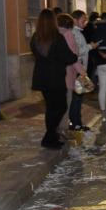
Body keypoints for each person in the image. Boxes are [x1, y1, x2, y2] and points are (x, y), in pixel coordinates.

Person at [31, 9, 77, 149]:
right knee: (60, 107)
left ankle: (50, 136)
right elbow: (69, 57)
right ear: (53, 21)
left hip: (42, 78)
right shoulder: (57, 38)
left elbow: (37, 54)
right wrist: (73, 57)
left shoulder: (35, 38)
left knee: (51, 108)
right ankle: (49, 137)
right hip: (56, 78)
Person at [57, 14, 89, 135]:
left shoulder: (55, 35)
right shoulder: (69, 34)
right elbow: (72, 56)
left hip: (56, 75)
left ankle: (60, 129)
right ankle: (64, 130)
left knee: (58, 105)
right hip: (69, 74)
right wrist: (82, 71)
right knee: (69, 103)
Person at [69, 10, 96, 131]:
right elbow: (77, 52)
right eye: (83, 20)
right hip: (77, 70)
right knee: (76, 98)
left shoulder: (78, 32)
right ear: (75, 20)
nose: (85, 22)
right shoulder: (73, 33)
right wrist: (90, 47)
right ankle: (76, 124)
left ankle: (77, 123)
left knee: (79, 98)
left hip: (80, 69)